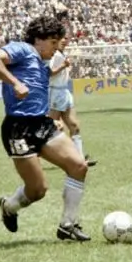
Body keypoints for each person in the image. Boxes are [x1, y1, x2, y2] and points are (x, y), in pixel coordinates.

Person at [0, 15, 91, 242]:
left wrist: (50, 118)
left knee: (79, 166)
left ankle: (68, 225)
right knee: (37, 191)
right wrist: (14, 83)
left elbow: (37, 95)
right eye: (53, 42)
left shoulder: (42, 64)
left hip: (41, 124)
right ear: (38, 39)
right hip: (17, 129)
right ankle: (9, 207)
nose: (56, 47)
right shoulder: (22, 49)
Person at [48, 36, 97, 166]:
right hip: (55, 92)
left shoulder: (61, 54)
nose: (64, 41)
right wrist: (64, 65)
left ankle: (79, 159)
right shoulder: (54, 55)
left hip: (64, 91)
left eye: (65, 38)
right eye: (61, 38)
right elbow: (49, 72)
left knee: (74, 126)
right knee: (52, 128)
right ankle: (36, 153)